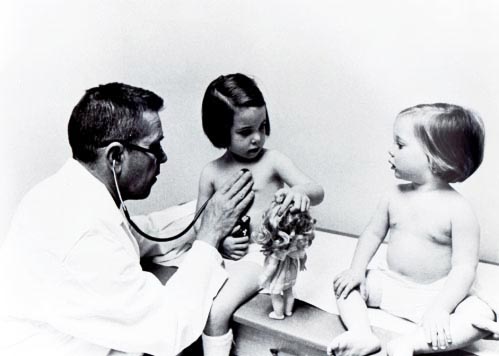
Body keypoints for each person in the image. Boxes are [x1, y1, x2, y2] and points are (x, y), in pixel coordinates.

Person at [0, 82, 255, 356]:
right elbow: (169, 328)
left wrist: (205, 209)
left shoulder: (68, 192)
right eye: (154, 147)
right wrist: (209, 235)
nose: (163, 157)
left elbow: (141, 233)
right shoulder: (83, 236)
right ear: (116, 157)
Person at [328, 103, 494, 356]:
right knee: (344, 285)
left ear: (436, 157)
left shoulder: (459, 210)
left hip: (437, 294)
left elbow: (464, 268)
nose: (391, 151)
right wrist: (357, 270)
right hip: (390, 284)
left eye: (400, 144)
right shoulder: (393, 195)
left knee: (480, 317)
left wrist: (441, 308)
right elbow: (372, 234)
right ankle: (362, 333)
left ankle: (411, 343)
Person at [197, 73, 324, 356]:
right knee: (191, 300)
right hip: (222, 256)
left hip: (260, 254)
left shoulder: (273, 161)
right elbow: (199, 226)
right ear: (220, 132)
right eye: (245, 132)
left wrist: (299, 193)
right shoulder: (211, 172)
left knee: (217, 312)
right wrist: (221, 243)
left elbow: (317, 190)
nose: (257, 138)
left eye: (262, 127)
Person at [255, 201, 316, 320]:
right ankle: (288, 311)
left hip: (279, 274)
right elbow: (303, 256)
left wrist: (264, 277)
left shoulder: (278, 251)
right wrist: (302, 264)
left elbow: (272, 266)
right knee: (289, 291)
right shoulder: (296, 246)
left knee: (275, 293)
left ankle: (278, 314)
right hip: (291, 271)